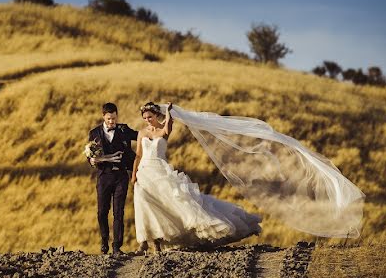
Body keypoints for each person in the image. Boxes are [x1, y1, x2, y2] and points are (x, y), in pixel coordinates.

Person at [131, 101, 262, 254]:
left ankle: (158, 243)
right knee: (144, 205)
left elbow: (166, 130)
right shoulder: (142, 133)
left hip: (160, 171)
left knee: (166, 206)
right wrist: (134, 174)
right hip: (145, 171)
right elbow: (138, 155)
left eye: (150, 117)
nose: (148, 120)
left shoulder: (164, 128)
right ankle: (144, 243)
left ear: (156, 115)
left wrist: (168, 113)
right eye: (145, 118)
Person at [87, 102, 139, 254]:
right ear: (103, 116)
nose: (112, 122)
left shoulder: (124, 129)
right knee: (102, 211)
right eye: (109, 119)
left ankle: (117, 247)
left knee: (119, 212)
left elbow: (141, 136)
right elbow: (90, 155)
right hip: (104, 177)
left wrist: (156, 128)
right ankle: (104, 241)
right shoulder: (94, 133)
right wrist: (92, 161)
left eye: (114, 119)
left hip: (121, 176)